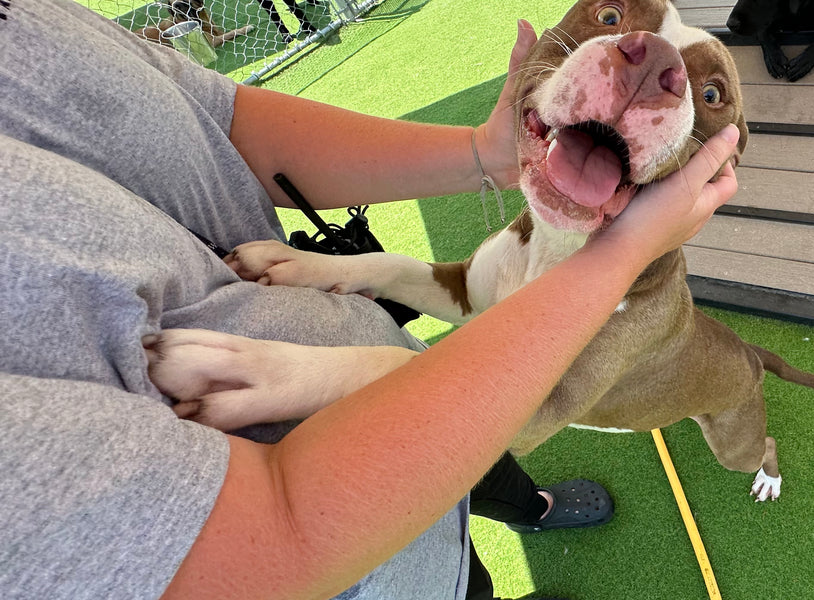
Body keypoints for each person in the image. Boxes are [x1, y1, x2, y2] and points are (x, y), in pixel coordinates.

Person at [0, 2, 740, 599]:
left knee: (721, 448)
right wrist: (346, 278)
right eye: (612, 17)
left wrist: (492, 157)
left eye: (709, 93)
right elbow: (271, 542)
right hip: (376, 562)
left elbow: (218, 120)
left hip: (447, 458)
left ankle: (547, 507)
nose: (647, 55)